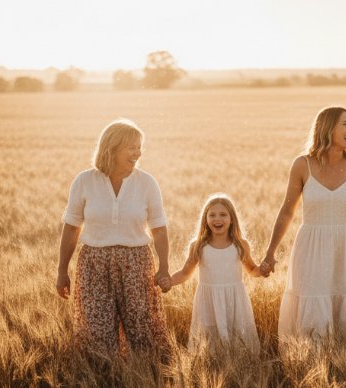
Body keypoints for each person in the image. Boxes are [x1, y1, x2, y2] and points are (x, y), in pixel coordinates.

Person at [260, 106, 346, 341]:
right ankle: (310, 363)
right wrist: (270, 252)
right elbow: (286, 211)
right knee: (314, 303)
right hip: (311, 248)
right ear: (328, 127)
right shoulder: (302, 165)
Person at [56, 118, 172, 356]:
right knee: (97, 334)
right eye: (132, 147)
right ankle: (104, 384)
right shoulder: (84, 181)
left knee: (143, 331)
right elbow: (71, 229)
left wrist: (164, 267)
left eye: (140, 147)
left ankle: (144, 382)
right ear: (112, 147)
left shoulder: (147, 183)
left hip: (137, 263)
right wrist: (61, 271)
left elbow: (159, 229)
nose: (138, 153)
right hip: (94, 264)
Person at [167, 193, 263, 351]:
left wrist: (263, 270)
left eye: (223, 214)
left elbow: (252, 269)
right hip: (208, 302)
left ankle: (240, 366)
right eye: (212, 215)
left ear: (232, 219)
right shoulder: (198, 246)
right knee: (209, 341)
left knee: (237, 337)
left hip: (234, 300)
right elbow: (185, 273)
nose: (217, 219)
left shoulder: (240, 245)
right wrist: (169, 281)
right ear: (205, 219)